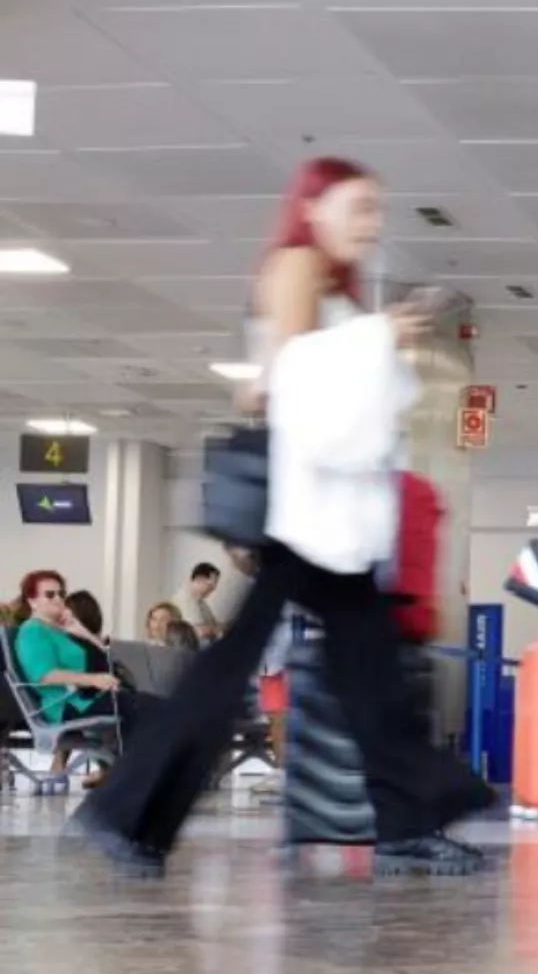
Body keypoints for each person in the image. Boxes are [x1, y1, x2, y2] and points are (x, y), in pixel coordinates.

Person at [74, 156, 492, 877]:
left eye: (375, 210)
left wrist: (382, 341)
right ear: (315, 208)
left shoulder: (334, 286)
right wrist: (377, 338)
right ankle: (124, 813)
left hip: (337, 521)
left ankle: (401, 823)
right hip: (306, 515)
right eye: (358, 207)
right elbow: (294, 374)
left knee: (371, 678)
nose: (371, 223)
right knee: (237, 669)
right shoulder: (296, 263)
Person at [10, 573, 150, 766]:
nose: (58, 599)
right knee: (142, 707)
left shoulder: (59, 630)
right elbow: (45, 676)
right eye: (50, 595)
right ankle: (138, 772)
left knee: (148, 705)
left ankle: (137, 770)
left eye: (61, 594)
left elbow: (103, 654)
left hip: (85, 697)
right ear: (32, 601)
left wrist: (78, 628)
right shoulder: (32, 631)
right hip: (65, 704)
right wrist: (92, 680)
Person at [172, 563, 223, 644]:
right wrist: (214, 629)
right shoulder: (185, 600)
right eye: (211, 584)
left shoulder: (200, 601)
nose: (213, 589)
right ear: (199, 579)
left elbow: (213, 623)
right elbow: (199, 632)